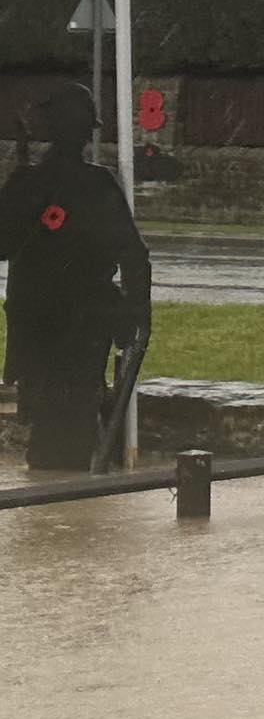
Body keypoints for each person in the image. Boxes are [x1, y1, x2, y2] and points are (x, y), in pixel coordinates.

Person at [5, 87, 152, 473]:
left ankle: (54, 497)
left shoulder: (30, 182)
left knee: (48, 414)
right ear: (86, 133)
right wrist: (138, 312)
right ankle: (66, 495)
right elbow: (134, 254)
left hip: (44, 318)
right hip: (81, 318)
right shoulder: (98, 185)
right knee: (76, 411)